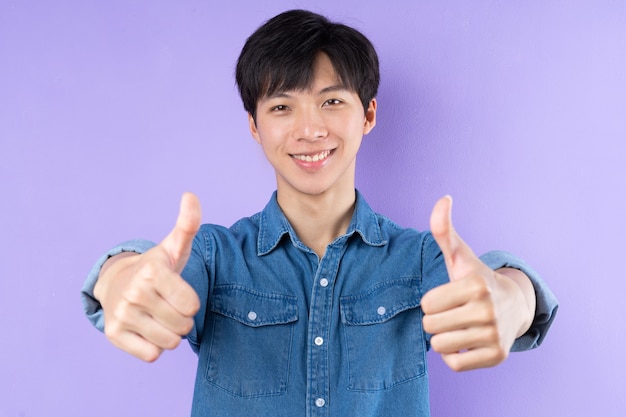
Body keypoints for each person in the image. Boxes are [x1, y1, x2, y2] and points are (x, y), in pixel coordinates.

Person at [81, 9, 558, 417]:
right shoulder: (215, 255)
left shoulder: (417, 259)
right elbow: (151, 272)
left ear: (368, 115)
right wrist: (119, 278)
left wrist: (512, 298)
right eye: (282, 106)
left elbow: (492, 286)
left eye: (331, 101)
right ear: (254, 126)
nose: (309, 129)